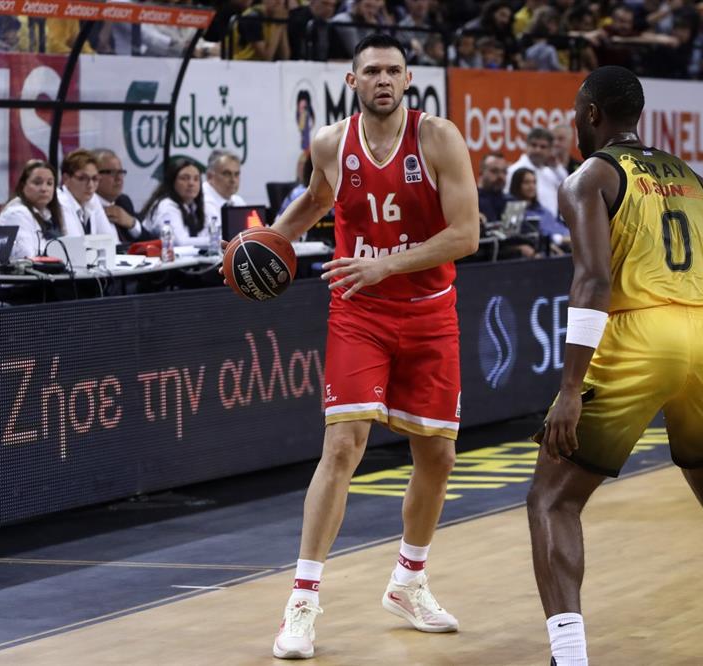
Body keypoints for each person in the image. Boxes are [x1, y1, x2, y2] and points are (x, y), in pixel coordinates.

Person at [525, 65, 703, 666]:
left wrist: (571, 388)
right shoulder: (695, 180)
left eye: (577, 111)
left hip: (639, 334)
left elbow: (594, 280)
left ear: (592, 115)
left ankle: (570, 657)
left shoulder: (591, 177)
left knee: (553, 498)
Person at [263, 34, 478, 660]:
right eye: (371, 71)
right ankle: (301, 602)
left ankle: (409, 580)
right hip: (358, 312)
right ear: (352, 81)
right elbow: (317, 199)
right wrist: (268, 243)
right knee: (343, 444)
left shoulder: (439, 138)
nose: (383, 79)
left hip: (430, 313)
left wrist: (387, 266)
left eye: (393, 70)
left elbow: (466, 233)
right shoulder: (330, 143)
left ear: (408, 80)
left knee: (437, 456)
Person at [0, 161, 66, 261]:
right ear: (23, 185)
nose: (44, 189)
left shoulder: (49, 214)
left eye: (49, 183)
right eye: (37, 183)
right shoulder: (17, 213)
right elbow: (27, 257)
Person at [142, 159, 209, 247]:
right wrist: (217, 240)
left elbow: (202, 235)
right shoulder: (166, 206)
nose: (191, 183)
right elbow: (179, 242)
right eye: (184, 178)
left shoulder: (193, 206)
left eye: (196, 179)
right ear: (172, 182)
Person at [91, 149, 151, 243]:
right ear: (94, 176)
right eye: (111, 172)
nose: (119, 178)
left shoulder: (123, 201)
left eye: (121, 172)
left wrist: (132, 223)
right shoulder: (88, 207)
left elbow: (152, 243)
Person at [506, 127, 567, 218]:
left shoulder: (549, 172)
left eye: (543, 147)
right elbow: (510, 201)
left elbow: (566, 189)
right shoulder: (515, 170)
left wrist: (556, 167)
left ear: (550, 150)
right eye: (534, 145)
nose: (537, 150)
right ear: (526, 146)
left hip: (552, 224)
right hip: (528, 226)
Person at [508, 167, 568, 255]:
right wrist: (560, 239)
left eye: (534, 182)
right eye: (526, 182)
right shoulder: (514, 211)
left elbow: (558, 227)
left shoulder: (544, 210)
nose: (531, 186)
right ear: (517, 185)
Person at [57, 149, 114, 240]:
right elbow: (75, 245)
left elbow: (110, 240)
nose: (90, 185)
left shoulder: (92, 198)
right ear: (66, 179)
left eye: (95, 178)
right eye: (82, 178)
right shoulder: (60, 201)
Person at [202, 149, 246, 241]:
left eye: (236, 174)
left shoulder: (237, 200)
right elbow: (219, 238)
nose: (233, 180)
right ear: (210, 176)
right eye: (227, 174)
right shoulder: (202, 200)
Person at [477, 152, 509, 223]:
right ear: (482, 171)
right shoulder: (472, 201)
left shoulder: (509, 200)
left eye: (504, 171)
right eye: (495, 171)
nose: (501, 176)